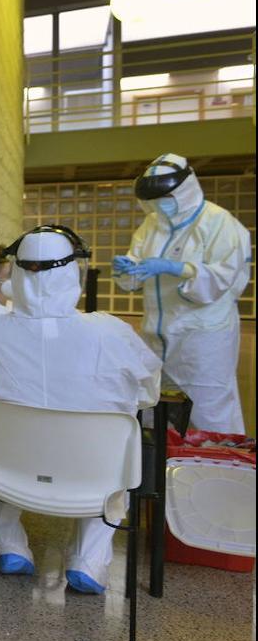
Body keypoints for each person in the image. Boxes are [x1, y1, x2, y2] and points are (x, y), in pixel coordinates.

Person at [0, 226, 161, 594]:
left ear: (16, 274)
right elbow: (149, 393)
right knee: (116, 451)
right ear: (72, 273)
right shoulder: (110, 334)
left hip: (9, 473)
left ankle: (11, 546)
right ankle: (88, 561)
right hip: (89, 474)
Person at [113, 153, 251, 435]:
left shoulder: (218, 223)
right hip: (156, 335)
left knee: (208, 408)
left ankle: (218, 467)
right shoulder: (152, 225)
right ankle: (164, 468)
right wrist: (126, 270)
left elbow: (224, 277)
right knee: (156, 405)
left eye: (166, 196)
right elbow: (134, 276)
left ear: (184, 189)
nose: (159, 205)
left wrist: (177, 268)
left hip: (202, 337)